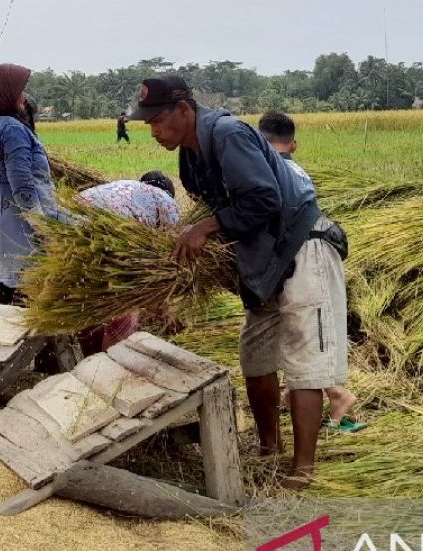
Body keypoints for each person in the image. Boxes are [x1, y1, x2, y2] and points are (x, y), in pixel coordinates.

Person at [131, 74, 346, 489]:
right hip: (262, 259)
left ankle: (303, 471)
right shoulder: (191, 153)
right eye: (148, 124)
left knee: (306, 363)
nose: (154, 130)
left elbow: (265, 199)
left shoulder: (228, 135)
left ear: (184, 110)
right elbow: (218, 204)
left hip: (302, 247)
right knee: (255, 356)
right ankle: (269, 452)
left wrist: (208, 227)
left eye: (158, 120)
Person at [258, 110, 363, 433]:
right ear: (295, 144)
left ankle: (336, 399)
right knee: (301, 334)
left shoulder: (270, 170)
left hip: (305, 258)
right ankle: (310, 396)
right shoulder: (296, 169)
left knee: (306, 337)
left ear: (259, 143)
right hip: (306, 256)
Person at [0, 63, 58, 306]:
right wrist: (43, 227)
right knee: (24, 303)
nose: (23, 97)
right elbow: (22, 187)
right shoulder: (11, 128)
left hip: (1, 224)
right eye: (18, 92)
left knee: (6, 299)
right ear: (5, 94)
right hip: (19, 229)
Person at [75, 171, 181, 354]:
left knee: (87, 298)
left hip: (67, 231)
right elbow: (171, 258)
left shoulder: (125, 189)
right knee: (126, 299)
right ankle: (114, 357)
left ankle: (91, 359)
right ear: (168, 193)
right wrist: (163, 307)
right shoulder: (166, 201)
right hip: (102, 239)